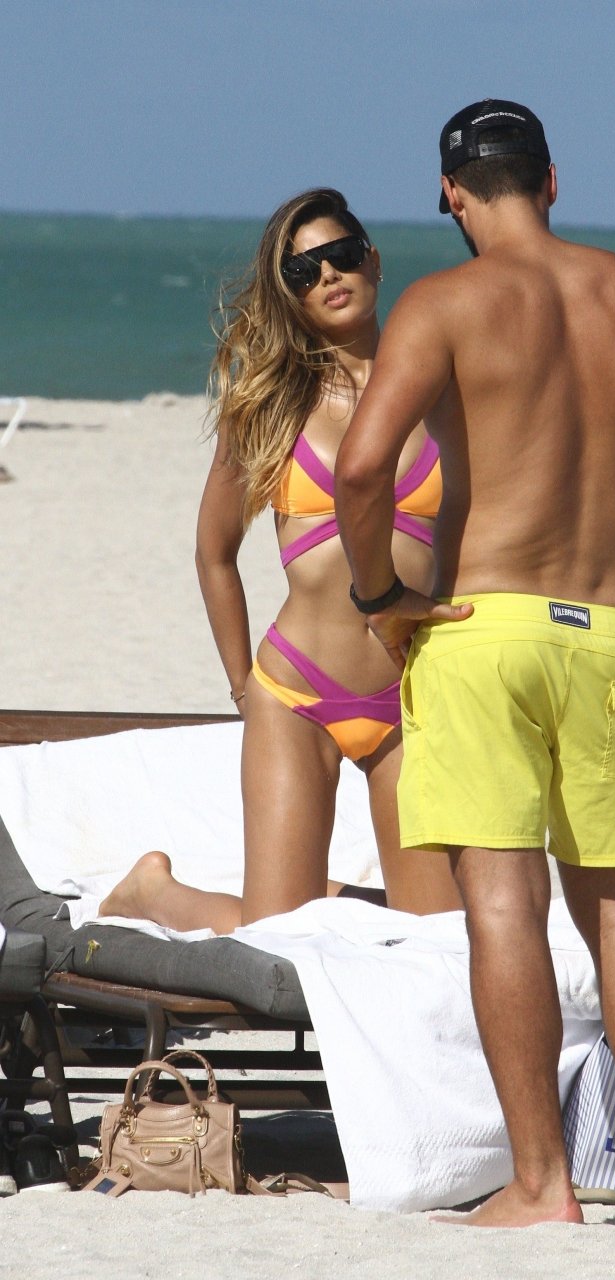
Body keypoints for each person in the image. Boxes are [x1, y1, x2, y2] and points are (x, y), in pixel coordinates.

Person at [336, 99, 615, 1230]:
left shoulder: (443, 302)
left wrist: (380, 597)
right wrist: (605, 443)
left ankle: (539, 1184)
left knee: (505, 906)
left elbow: (361, 470)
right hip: (603, 629)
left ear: (450, 193)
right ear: (552, 180)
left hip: (481, 626)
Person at [101, 188, 461, 933]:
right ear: (289, 294)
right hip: (297, 694)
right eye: (302, 270)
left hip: (413, 695)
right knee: (278, 942)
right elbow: (214, 553)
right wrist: (244, 687)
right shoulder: (272, 406)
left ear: (373, 260)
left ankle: (313, 893)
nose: (327, 274)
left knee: (438, 938)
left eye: (341, 255)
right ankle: (152, 893)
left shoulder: (442, 392)